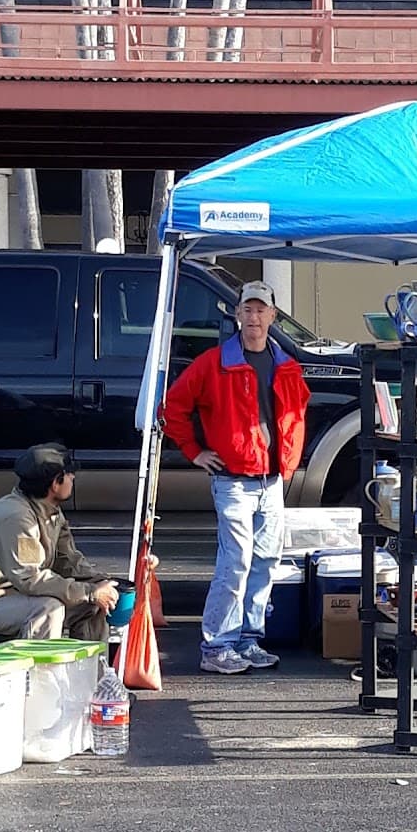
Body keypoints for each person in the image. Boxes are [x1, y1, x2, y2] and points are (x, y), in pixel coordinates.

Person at [162, 280, 310, 674]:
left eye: (261, 310)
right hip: (233, 482)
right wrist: (195, 452)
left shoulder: (286, 366)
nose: (254, 317)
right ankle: (217, 646)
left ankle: (248, 639)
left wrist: (287, 461)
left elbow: (296, 414)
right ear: (237, 314)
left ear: (273, 316)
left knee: (264, 561)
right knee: (237, 562)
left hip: (270, 481)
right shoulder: (213, 363)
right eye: (247, 309)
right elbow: (173, 407)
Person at [0, 443, 120, 642]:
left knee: (95, 603)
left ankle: (90, 670)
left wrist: (101, 584)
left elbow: (68, 562)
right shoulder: (17, 518)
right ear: (56, 483)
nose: (73, 478)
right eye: (70, 474)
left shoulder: (49, 511)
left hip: (6, 597)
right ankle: (41, 673)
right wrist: (89, 592)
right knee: (48, 609)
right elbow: (30, 579)